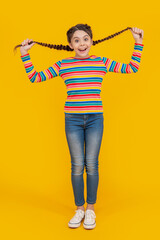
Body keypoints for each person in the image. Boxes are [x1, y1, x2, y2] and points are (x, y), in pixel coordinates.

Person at [17, 24, 144, 230]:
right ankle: (79, 209)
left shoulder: (101, 62)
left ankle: (90, 209)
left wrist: (138, 42)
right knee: (77, 165)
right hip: (72, 120)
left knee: (92, 164)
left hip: (95, 119)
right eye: (77, 40)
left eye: (85, 39)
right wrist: (25, 55)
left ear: (91, 41)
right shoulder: (63, 64)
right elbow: (35, 77)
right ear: (70, 45)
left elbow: (131, 67)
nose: (82, 43)